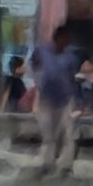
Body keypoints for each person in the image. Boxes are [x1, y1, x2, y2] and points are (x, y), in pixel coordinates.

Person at [31, 26, 82, 177]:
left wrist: (78, 100)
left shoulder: (71, 57)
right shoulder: (42, 51)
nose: (66, 42)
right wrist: (38, 81)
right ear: (57, 38)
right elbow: (34, 65)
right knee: (48, 134)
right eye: (64, 39)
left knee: (68, 133)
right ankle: (46, 163)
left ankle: (66, 166)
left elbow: (73, 78)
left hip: (65, 99)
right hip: (46, 98)